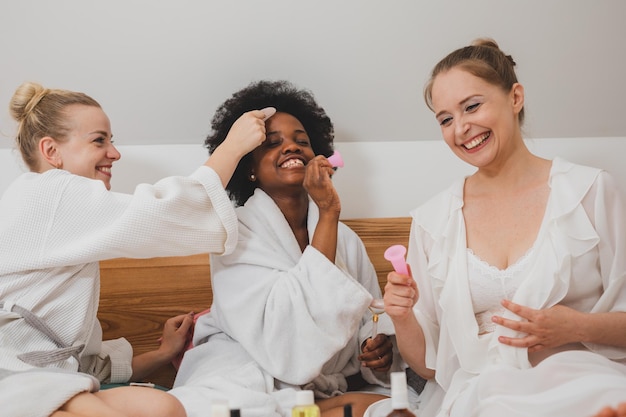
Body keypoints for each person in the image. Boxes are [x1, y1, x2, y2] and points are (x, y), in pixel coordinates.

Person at [379, 39, 626, 417]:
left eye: (472, 106)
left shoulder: (589, 191)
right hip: (483, 391)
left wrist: (578, 327)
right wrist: (401, 316)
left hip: (578, 380)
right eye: (445, 119)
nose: (461, 128)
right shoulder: (433, 222)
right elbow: (429, 367)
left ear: (515, 98)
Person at [0, 81, 274, 417]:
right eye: (99, 140)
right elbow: (158, 216)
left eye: (111, 141)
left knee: (164, 406)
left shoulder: (65, 228)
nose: (114, 153)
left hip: (44, 379)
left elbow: (79, 363)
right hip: (12, 379)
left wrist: (162, 354)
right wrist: (232, 148)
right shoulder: (47, 193)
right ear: (51, 151)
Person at [169, 80, 406, 417]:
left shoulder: (346, 238)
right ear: (248, 167)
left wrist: (375, 349)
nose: (292, 148)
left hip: (319, 388)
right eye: (272, 142)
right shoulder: (234, 233)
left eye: (302, 141)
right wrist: (327, 212)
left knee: (397, 407)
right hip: (245, 374)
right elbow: (286, 341)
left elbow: (370, 317)